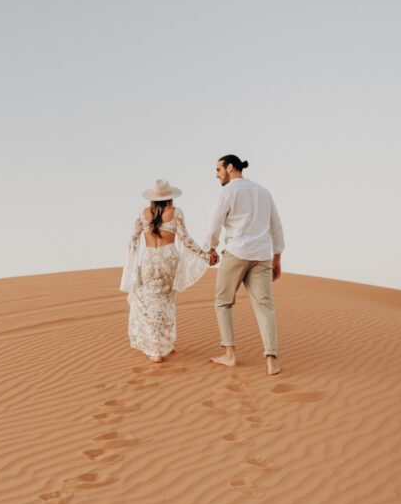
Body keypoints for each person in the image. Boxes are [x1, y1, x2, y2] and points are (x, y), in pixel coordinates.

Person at [203, 156, 285, 375]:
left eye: (218, 169)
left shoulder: (227, 192)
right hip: (261, 255)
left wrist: (210, 248)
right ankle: (271, 361)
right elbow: (276, 226)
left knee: (223, 302)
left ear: (230, 168)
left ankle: (229, 355)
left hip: (237, 253)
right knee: (265, 305)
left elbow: (214, 224)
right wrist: (277, 257)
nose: (217, 174)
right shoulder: (264, 192)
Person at [121, 179, 210, 362]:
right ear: (170, 197)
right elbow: (185, 239)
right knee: (167, 302)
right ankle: (162, 347)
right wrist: (204, 255)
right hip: (168, 259)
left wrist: (132, 265)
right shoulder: (175, 213)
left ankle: (157, 349)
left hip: (149, 259)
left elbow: (133, 239)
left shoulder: (143, 214)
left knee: (151, 303)